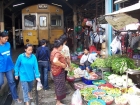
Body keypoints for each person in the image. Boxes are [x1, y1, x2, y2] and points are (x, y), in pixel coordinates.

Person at [0, 32, 22, 103]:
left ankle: (15, 97)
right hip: (1, 67)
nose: (6, 40)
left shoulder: (8, 44)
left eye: (7, 39)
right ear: (0, 37)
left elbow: (10, 54)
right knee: (1, 82)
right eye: (5, 38)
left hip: (8, 66)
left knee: (12, 82)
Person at [50, 39, 67, 105]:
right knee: (60, 86)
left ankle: (56, 96)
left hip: (54, 71)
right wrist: (62, 65)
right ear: (59, 46)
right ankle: (58, 102)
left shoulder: (53, 51)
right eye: (62, 46)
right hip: (58, 71)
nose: (62, 47)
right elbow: (55, 61)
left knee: (57, 85)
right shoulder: (57, 52)